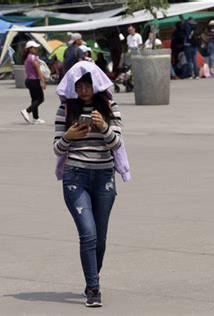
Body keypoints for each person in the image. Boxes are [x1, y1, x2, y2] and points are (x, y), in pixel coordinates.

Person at [54, 61, 129, 308]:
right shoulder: (65, 110)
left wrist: (104, 127)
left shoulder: (109, 107)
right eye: (80, 85)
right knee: (88, 234)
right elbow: (56, 147)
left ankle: (93, 275)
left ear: (96, 84)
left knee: (101, 238)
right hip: (75, 177)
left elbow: (117, 143)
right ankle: (93, 289)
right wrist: (69, 137)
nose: (84, 89)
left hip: (103, 178)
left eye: (88, 84)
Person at [20, 40, 46, 125]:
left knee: (34, 99)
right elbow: (38, 70)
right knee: (40, 99)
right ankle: (27, 111)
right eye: (34, 48)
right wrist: (43, 80)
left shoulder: (27, 57)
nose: (36, 49)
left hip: (29, 80)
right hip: (34, 80)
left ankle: (36, 118)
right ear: (29, 49)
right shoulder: (33, 58)